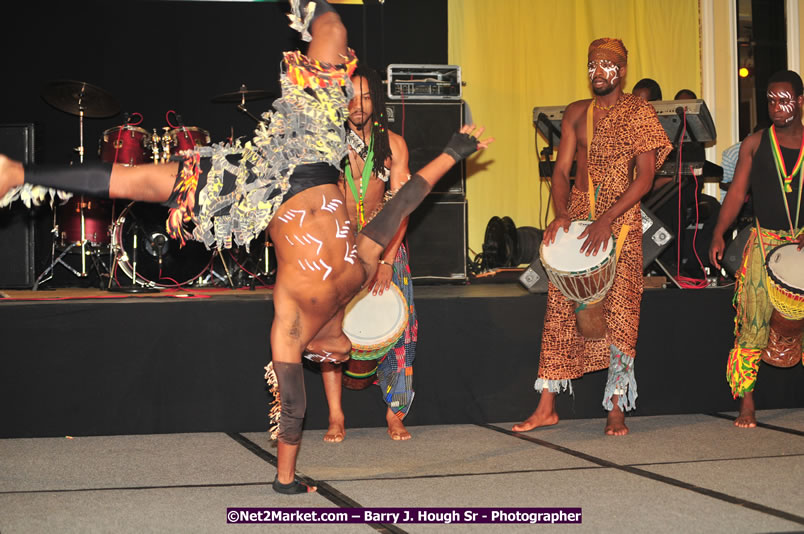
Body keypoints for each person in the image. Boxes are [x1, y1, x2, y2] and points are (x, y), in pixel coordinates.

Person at [0, 0, 493, 492]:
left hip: (255, 187)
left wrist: (285, 480)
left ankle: (20, 173)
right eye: (347, 354)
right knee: (335, 27)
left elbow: (293, 408)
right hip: (309, 152)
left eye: (334, 359)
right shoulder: (358, 276)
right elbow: (401, 204)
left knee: (143, 182)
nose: (341, 354)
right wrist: (452, 152)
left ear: (317, 351)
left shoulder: (295, 320)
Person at [513, 38, 671, 436]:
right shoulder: (576, 114)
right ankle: (547, 404)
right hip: (580, 213)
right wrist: (564, 214)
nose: (597, 72)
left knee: (621, 311)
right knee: (559, 310)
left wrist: (607, 221)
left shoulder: (639, 112)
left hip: (621, 220)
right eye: (591, 65)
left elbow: (646, 178)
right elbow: (561, 169)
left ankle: (616, 403)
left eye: (606, 65)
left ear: (622, 71)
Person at [321, 64, 418, 442]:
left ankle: (395, 413)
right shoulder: (328, 144)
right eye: (350, 96)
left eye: (365, 96)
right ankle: (335, 417)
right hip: (337, 249)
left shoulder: (393, 144)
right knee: (330, 331)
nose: (357, 105)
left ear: (376, 101)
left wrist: (387, 261)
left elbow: (403, 206)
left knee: (402, 331)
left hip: (385, 244)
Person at [709, 69, 804, 429]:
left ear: (800, 101)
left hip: (802, 241)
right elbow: (736, 194)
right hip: (763, 244)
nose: (776, 106)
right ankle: (747, 403)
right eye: (770, 99)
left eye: (784, 99)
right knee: (752, 324)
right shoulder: (755, 143)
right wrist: (719, 232)